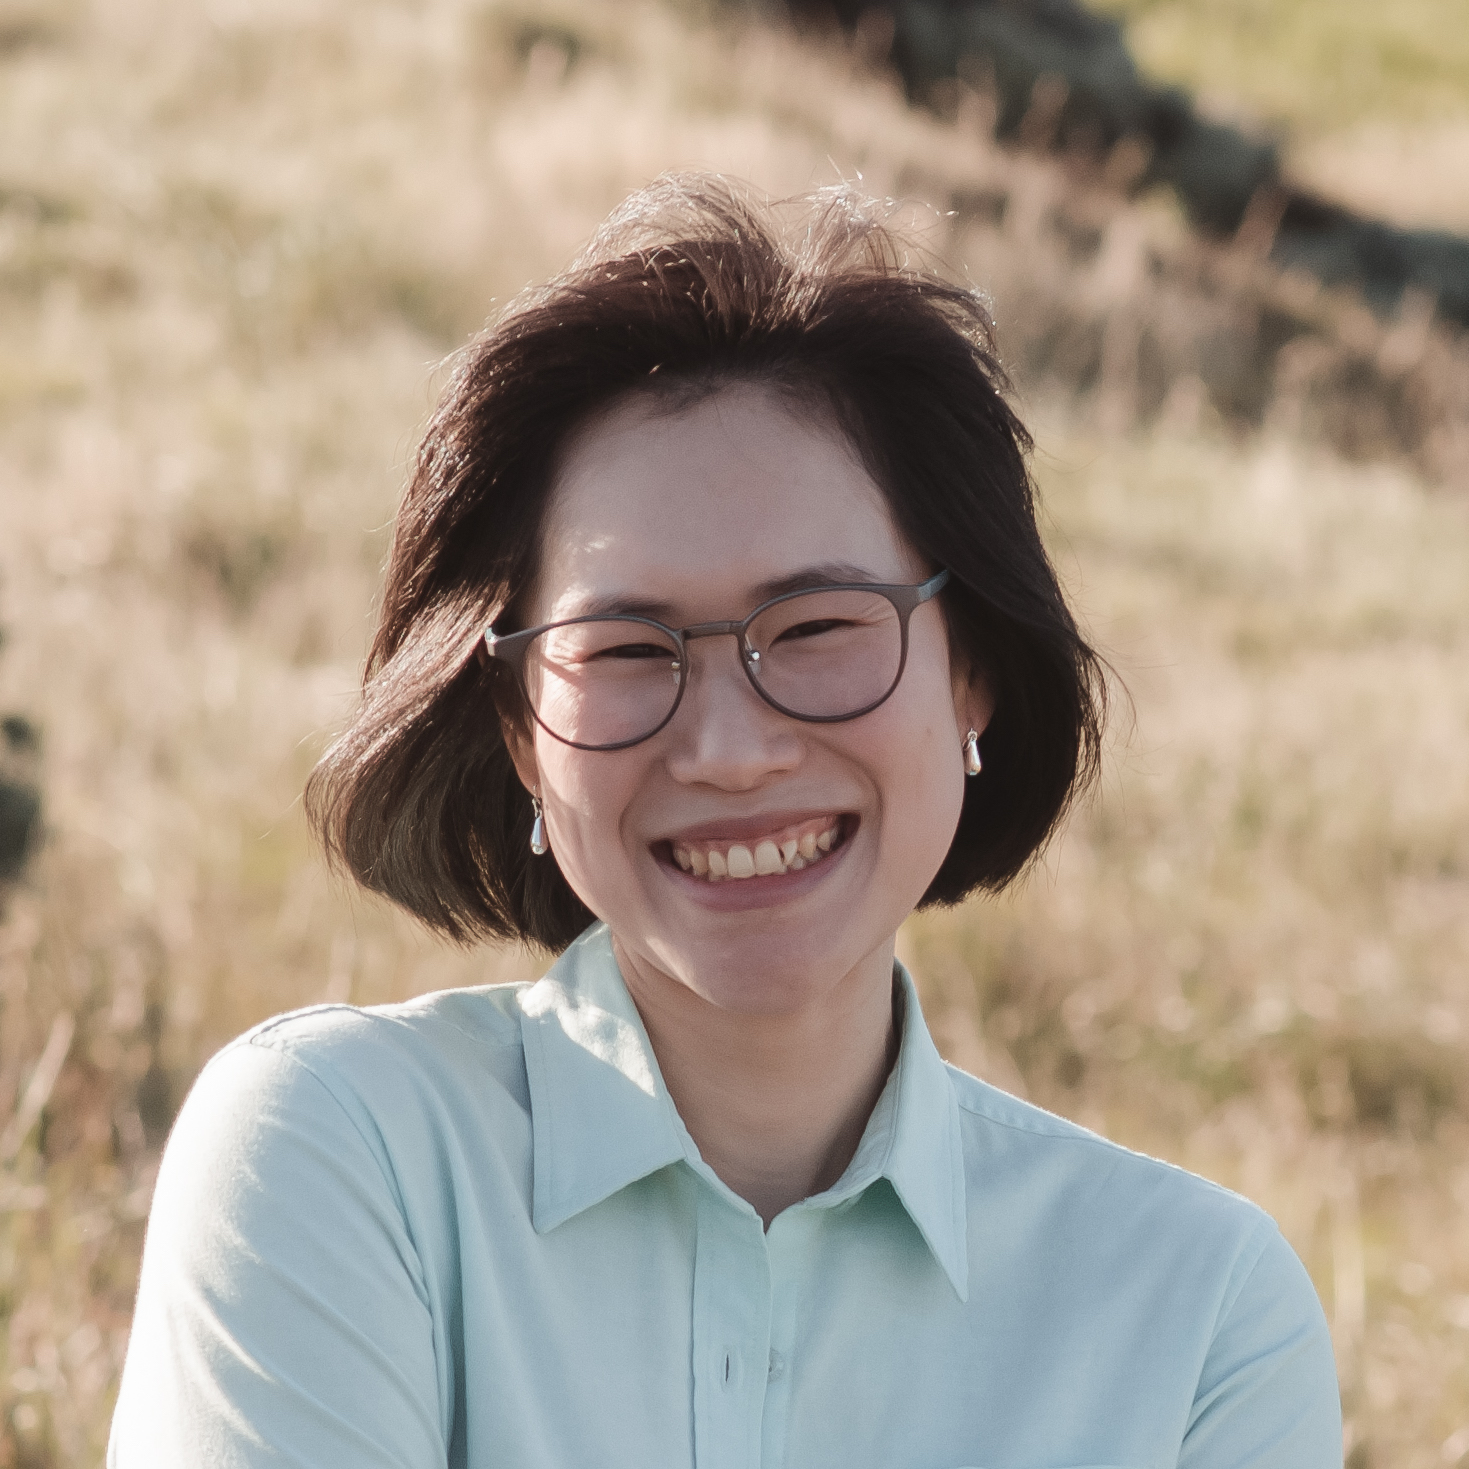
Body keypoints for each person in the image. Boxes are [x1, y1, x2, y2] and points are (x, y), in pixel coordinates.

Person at [108, 175, 1341, 1467]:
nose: (729, 750)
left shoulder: (1197, 1317)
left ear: (968, 668)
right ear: (522, 732)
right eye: (627, 650)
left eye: (813, 630)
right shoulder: (336, 1159)